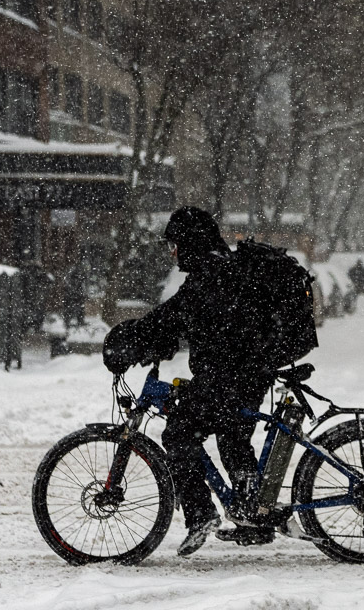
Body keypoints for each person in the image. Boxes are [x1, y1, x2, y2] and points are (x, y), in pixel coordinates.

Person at [102, 207, 274, 556]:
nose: (173, 252)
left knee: (179, 433)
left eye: (175, 244)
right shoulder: (222, 267)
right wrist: (160, 342)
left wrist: (131, 338)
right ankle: (250, 514)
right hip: (245, 372)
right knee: (232, 434)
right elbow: (194, 322)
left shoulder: (211, 273)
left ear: (189, 242)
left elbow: (173, 315)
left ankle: (201, 514)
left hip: (231, 375)